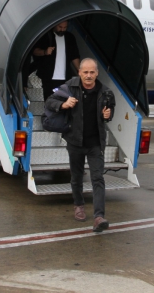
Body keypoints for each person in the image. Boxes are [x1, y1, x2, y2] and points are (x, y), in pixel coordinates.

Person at [45, 58, 115, 233]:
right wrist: (63, 104)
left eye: (92, 72)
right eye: (85, 72)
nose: (89, 76)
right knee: (76, 177)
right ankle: (79, 205)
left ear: (97, 73)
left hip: (95, 143)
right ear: (80, 72)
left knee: (98, 178)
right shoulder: (69, 87)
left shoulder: (105, 92)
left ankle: (99, 216)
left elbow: (110, 111)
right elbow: (49, 102)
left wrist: (108, 114)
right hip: (75, 141)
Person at [33, 21, 80, 100]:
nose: (62, 30)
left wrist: (80, 71)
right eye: (60, 27)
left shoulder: (70, 37)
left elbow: (74, 56)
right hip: (49, 77)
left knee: (65, 103)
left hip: (66, 78)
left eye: (65, 27)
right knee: (50, 102)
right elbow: (34, 51)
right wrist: (45, 52)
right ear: (54, 25)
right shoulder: (45, 35)